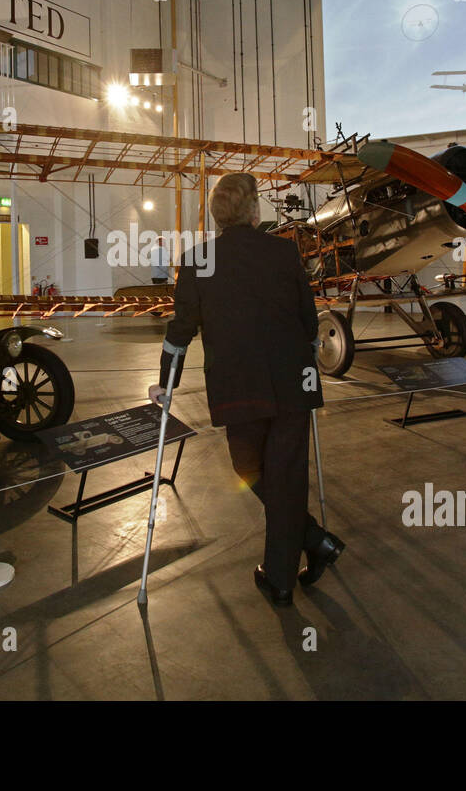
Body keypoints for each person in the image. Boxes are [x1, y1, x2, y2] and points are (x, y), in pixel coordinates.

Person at [148, 173, 345, 606]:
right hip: (293, 381)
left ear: (217, 216)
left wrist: (166, 382)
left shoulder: (198, 261)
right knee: (286, 477)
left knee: (250, 470)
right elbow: (309, 320)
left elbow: (180, 330)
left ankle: (284, 577)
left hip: (239, 387)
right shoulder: (283, 251)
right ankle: (312, 543)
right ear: (254, 211)